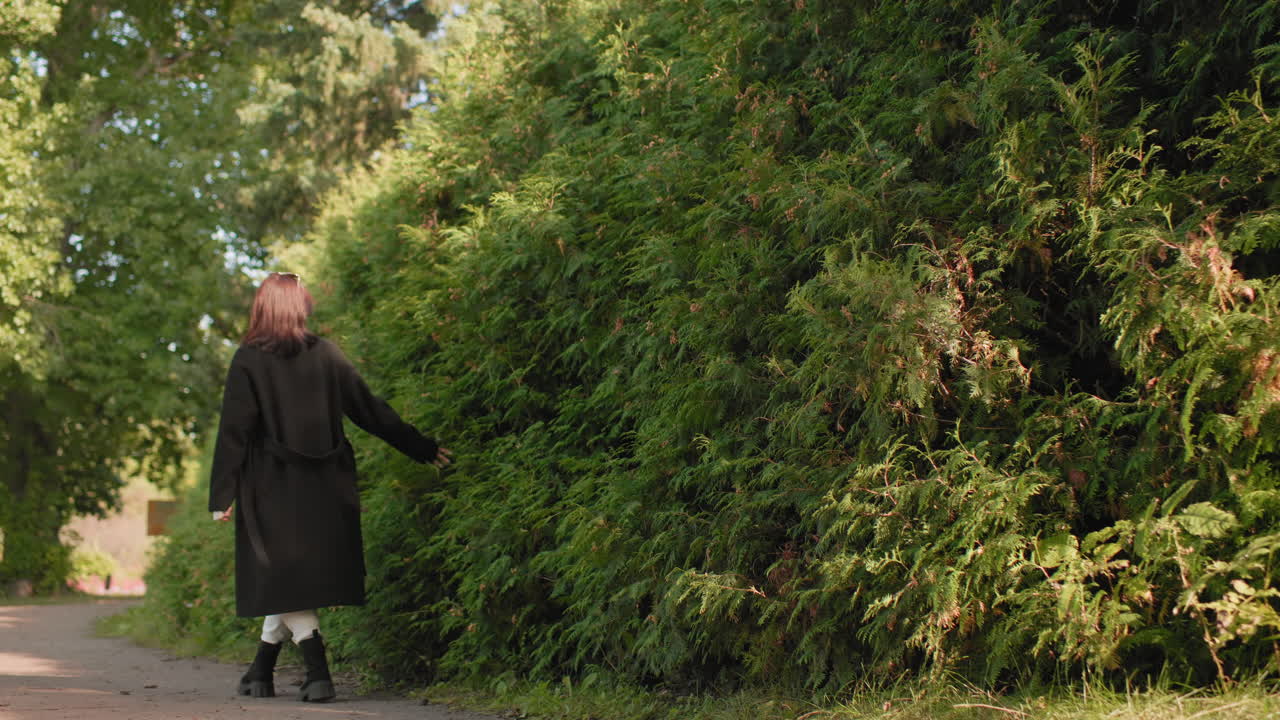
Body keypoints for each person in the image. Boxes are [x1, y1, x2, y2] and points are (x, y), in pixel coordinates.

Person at [208, 272, 451, 703]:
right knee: (290, 579)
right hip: (324, 487)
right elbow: (370, 410)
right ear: (297, 306)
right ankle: (259, 671)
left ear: (263, 307)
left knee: (285, 577)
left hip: (271, 488)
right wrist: (422, 447)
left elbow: (235, 431)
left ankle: (318, 672)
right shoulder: (327, 355)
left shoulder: (248, 358)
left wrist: (222, 494)